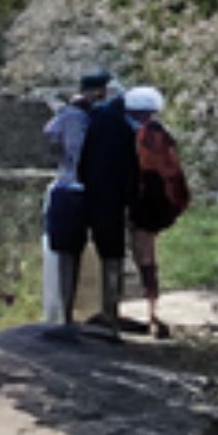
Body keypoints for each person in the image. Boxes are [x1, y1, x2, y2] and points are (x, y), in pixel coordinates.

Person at [40, 72, 109, 325]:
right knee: (82, 254)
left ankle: (66, 313)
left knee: (66, 254)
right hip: (84, 189)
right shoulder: (91, 117)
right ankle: (78, 311)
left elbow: (50, 135)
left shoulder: (67, 115)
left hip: (66, 187)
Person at [123, 86, 191, 338]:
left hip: (142, 198)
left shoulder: (135, 136)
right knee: (148, 254)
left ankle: (149, 309)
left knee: (143, 255)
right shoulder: (163, 136)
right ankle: (153, 308)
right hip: (159, 199)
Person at [76, 83, 138, 341]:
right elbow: (131, 167)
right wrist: (131, 196)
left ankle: (103, 310)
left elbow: (83, 163)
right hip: (116, 198)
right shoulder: (124, 129)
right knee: (115, 254)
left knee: (102, 251)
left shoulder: (95, 125)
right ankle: (112, 308)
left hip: (94, 196)